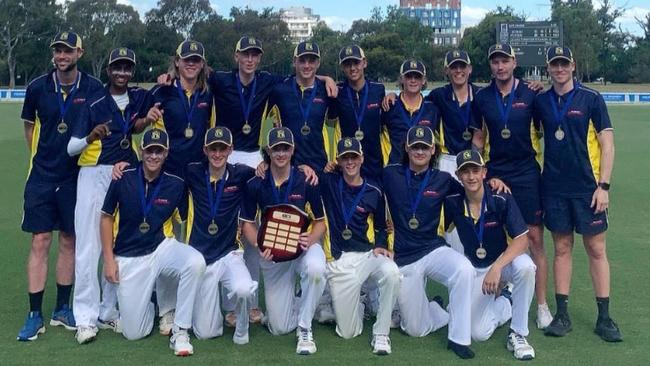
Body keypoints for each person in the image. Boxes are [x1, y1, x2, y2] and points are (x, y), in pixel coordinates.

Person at [17, 31, 104, 341]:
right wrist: (43, 157)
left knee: (69, 239)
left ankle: (62, 309)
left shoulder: (93, 87)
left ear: (79, 53)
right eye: (58, 50)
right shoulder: (37, 87)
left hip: (75, 177)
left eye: (68, 50)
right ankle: (34, 314)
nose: (62, 55)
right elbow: (29, 126)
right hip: (41, 177)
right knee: (40, 241)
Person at [534, 46, 621, 342]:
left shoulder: (592, 99)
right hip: (555, 189)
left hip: (588, 190)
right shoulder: (541, 101)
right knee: (561, 249)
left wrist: (604, 186)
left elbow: (607, 144)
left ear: (572, 65)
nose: (559, 69)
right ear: (548, 68)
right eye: (554, 65)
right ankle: (562, 314)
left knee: (596, 249)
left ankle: (604, 318)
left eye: (564, 64)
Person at [101, 129, 206, 356]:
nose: (154, 156)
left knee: (195, 262)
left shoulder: (175, 184)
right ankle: (148, 305)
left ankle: (180, 329)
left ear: (166, 153)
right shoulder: (123, 177)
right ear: (141, 151)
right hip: (129, 256)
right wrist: (109, 260)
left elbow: (188, 221)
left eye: (159, 151)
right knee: (134, 333)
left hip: (160, 248)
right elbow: (105, 218)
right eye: (150, 151)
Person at [66, 47, 146, 344]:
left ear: (132, 72)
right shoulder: (93, 102)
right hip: (94, 174)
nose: (122, 73)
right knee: (89, 247)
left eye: (127, 68)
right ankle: (85, 317)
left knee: (120, 244)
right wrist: (90, 137)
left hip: (125, 173)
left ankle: (108, 309)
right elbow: (71, 148)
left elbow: (159, 101)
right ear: (108, 70)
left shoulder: (138, 98)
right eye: (117, 68)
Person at [471, 43, 552, 329]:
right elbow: (479, 138)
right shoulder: (482, 97)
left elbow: (546, 128)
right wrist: (481, 171)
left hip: (527, 174)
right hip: (495, 174)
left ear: (514, 62)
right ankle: (501, 291)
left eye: (504, 61)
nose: (500, 66)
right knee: (495, 236)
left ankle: (541, 305)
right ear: (491, 66)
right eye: (495, 62)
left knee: (534, 239)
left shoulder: (532, 93)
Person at [383, 126, 475, 359]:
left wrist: (493, 183)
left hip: (433, 249)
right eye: (415, 146)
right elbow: (359, 181)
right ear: (407, 147)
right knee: (415, 329)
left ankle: (459, 338)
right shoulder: (390, 174)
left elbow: (472, 192)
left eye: (425, 147)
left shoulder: (443, 179)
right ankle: (435, 309)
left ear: (433, 149)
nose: (420, 151)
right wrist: (332, 169)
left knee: (464, 269)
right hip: (404, 257)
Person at [240, 127, 327, 355]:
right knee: (279, 328)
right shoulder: (256, 183)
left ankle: (305, 326)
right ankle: (301, 299)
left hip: (302, 248)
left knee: (317, 268)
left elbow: (320, 221)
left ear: (292, 149)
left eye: (285, 148)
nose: (281, 154)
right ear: (268, 151)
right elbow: (247, 223)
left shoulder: (307, 179)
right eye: (276, 149)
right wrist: (259, 244)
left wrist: (311, 238)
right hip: (273, 255)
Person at [445, 150, 536, 360]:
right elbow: (439, 231)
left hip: (504, 262)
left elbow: (522, 240)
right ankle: (506, 300)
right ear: (458, 175)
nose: (471, 176)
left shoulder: (500, 197)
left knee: (526, 268)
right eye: (465, 171)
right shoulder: (452, 202)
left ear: (484, 172)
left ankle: (519, 333)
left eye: (475, 170)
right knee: (478, 333)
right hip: (477, 267)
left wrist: (497, 267)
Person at [320, 137, 400, 355]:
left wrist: (381, 245)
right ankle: (361, 303)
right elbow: (303, 176)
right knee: (348, 332)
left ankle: (381, 333)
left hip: (366, 255)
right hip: (340, 260)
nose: (350, 162)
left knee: (391, 272)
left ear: (361, 158)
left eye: (354, 156)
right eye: (345, 157)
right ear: (337, 160)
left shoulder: (374, 189)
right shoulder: (328, 182)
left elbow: (383, 226)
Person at [185, 126, 257, 344]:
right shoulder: (192, 172)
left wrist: (265, 165)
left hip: (229, 254)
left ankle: (242, 328)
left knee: (244, 289)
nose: (218, 154)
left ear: (231, 150)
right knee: (206, 333)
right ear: (205, 150)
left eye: (222, 149)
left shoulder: (241, 174)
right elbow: (158, 166)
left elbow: (272, 172)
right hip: (201, 257)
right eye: (213, 149)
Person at [138, 40, 214, 179]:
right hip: (168, 170)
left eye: (196, 60)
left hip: (199, 170)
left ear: (202, 64)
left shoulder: (209, 92)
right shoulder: (161, 91)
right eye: (186, 59)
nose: (191, 63)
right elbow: (135, 126)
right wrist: (146, 120)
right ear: (177, 62)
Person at [264, 41, 335, 173]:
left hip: (321, 165)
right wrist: (266, 159)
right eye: (302, 61)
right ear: (294, 61)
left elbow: (337, 128)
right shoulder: (280, 90)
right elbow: (265, 125)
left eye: (311, 61)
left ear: (318, 63)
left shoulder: (328, 91)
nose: (307, 65)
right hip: (288, 166)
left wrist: (333, 159)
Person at [329, 45, 386, 182]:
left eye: (356, 63)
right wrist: (326, 78)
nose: (352, 68)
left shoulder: (378, 90)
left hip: (374, 163)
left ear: (364, 63)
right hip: (348, 163)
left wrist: (393, 96)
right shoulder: (338, 92)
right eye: (347, 64)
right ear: (342, 67)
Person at [381, 60, 439, 166]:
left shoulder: (432, 108)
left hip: (423, 170)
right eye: (408, 76)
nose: (413, 80)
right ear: (401, 79)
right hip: (396, 168)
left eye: (417, 77)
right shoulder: (389, 106)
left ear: (424, 80)